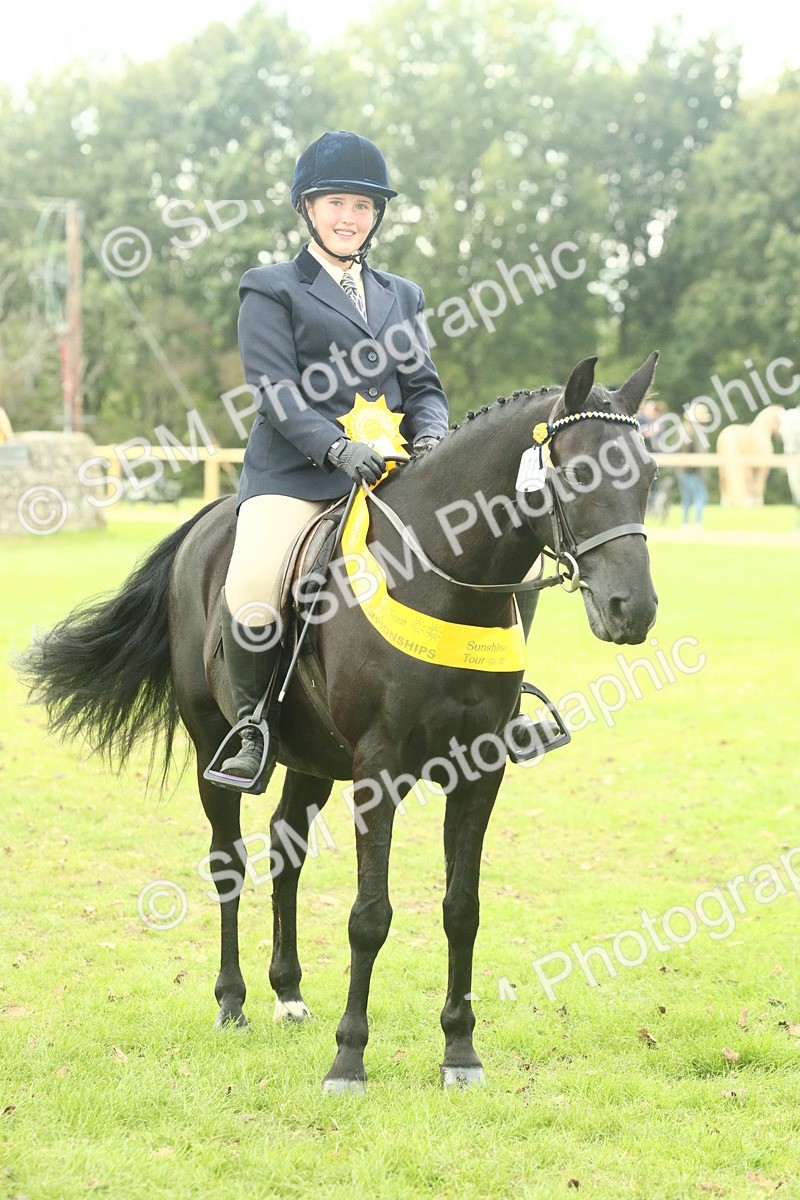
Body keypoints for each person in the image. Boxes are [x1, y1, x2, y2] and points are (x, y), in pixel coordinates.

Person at [211, 131, 449, 792]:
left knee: (475, 543)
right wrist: (334, 446)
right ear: (309, 208)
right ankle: (253, 725)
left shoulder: (403, 294)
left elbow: (424, 386)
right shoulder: (270, 288)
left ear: (376, 217)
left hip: (391, 475)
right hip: (297, 476)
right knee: (254, 587)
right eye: (336, 202)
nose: (350, 217)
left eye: (363, 206)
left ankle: (497, 702)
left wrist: (431, 437)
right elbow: (276, 392)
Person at [677, 402, 712, 525]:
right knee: (700, 496)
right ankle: (697, 522)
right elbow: (700, 453)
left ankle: (685, 522)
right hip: (693, 470)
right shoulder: (697, 432)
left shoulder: (683, 429)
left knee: (687, 498)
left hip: (682, 470)